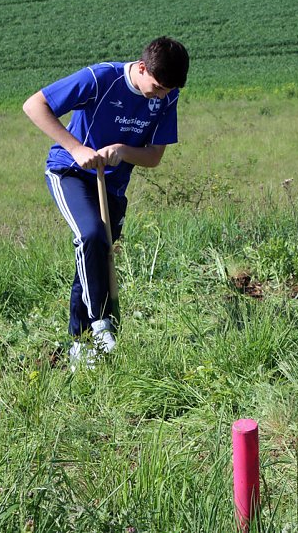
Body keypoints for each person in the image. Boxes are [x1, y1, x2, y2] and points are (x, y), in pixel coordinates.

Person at [23, 37, 189, 367]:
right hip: (69, 172)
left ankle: (78, 344)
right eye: (156, 87)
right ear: (141, 68)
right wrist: (76, 148)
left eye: (167, 91)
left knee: (95, 257)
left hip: (110, 186)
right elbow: (34, 105)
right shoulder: (100, 79)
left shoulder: (167, 96)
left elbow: (154, 157)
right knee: (90, 237)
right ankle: (101, 323)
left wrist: (124, 152)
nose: (160, 96)